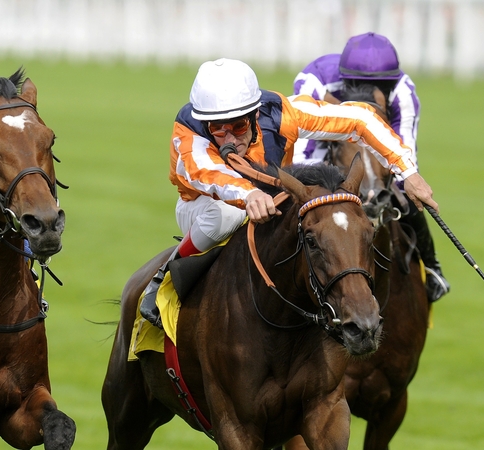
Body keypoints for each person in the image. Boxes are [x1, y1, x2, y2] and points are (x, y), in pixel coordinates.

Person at [139, 57, 439, 328]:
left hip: (275, 198)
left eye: (238, 126)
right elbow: (207, 174)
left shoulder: (283, 112)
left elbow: (360, 120)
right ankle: (163, 277)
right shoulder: (188, 131)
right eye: (218, 129)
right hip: (204, 205)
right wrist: (249, 196)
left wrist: (407, 172)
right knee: (227, 214)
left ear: (255, 115)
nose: (229, 137)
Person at [292, 31, 449, 302]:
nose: (375, 89)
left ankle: (432, 269)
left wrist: (405, 177)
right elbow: (305, 150)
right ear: (345, 79)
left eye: (382, 85)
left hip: (383, 142)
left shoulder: (403, 93)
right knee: (305, 194)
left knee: (405, 190)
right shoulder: (313, 82)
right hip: (320, 135)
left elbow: (405, 157)